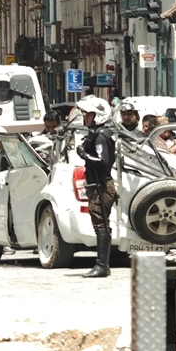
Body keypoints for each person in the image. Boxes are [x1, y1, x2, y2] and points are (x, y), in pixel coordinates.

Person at [75, 96, 116, 278]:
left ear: (97, 115)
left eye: (88, 114)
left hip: (101, 185)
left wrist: (84, 154)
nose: (85, 118)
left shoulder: (101, 135)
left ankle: (102, 265)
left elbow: (102, 161)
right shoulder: (97, 133)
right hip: (96, 183)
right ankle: (103, 264)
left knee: (101, 224)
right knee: (101, 223)